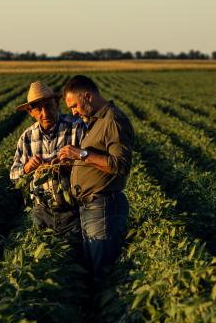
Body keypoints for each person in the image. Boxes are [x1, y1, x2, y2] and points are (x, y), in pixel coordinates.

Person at [58, 75, 134, 281]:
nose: (73, 112)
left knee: (102, 272)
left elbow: (121, 165)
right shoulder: (95, 121)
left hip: (104, 207)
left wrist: (81, 154)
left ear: (88, 96)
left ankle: (107, 310)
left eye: (74, 106)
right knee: (93, 268)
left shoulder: (113, 121)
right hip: (91, 207)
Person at [10, 81, 86, 236]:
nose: (45, 113)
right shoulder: (27, 137)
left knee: (74, 255)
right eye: (38, 109)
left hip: (74, 211)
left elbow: (91, 160)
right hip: (42, 212)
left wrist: (72, 164)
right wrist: (27, 168)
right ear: (31, 112)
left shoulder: (76, 127)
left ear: (57, 103)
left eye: (48, 106)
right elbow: (13, 175)